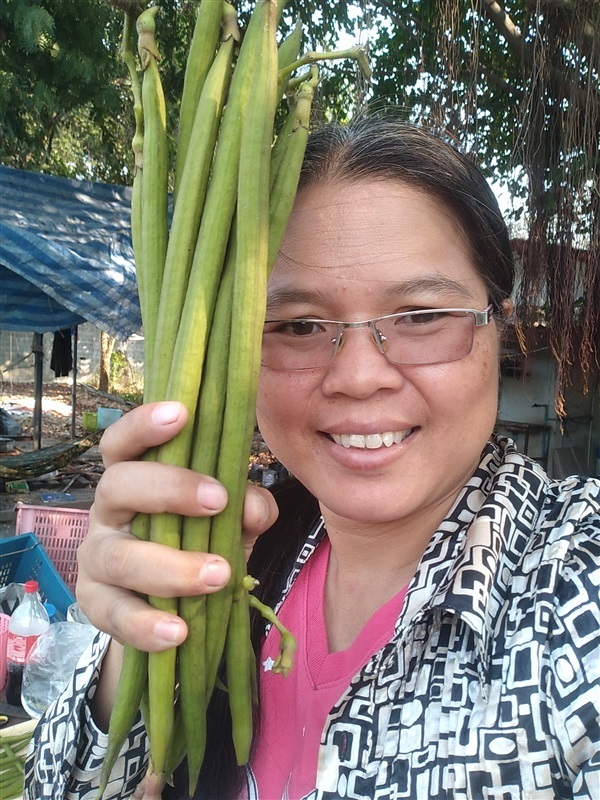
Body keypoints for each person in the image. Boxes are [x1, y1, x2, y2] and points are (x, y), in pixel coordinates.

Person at [25, 117, 600, 800]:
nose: (359, 377)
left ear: (496, 326)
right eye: (298, 326)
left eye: (419, 315)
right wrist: (136, 643)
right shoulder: (231, 556)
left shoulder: (573, 589)